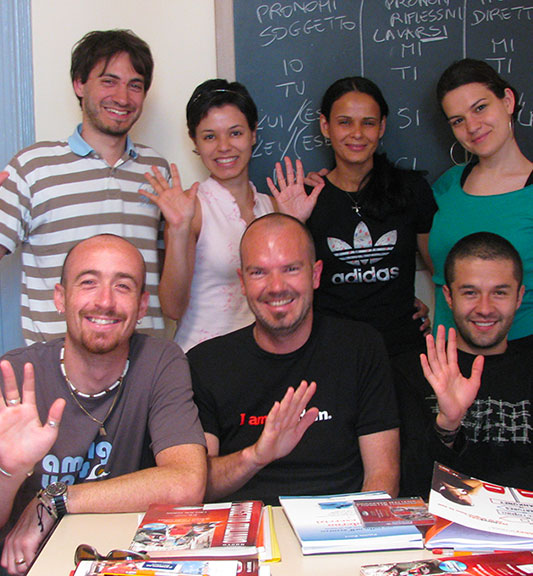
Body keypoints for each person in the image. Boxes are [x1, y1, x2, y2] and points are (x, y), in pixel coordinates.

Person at [0, 234, 206, 576]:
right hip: (27, 567)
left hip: (121, 562)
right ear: (60, 297)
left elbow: (187, 482)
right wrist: (8, 472)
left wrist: (55, 499)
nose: (105, 302)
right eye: (89, 283)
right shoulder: (16, 376)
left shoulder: (161, 362)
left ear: (142, 306)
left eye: (122, 286)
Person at [187, 213, 400, 506]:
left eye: (290, 269)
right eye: (259, 272)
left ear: (315, 274)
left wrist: (355, 540)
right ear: (243, 282)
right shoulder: (205, 363)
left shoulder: (360, 347)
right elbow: (198, 487)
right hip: (246, 532)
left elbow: (383, 476)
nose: (276, 287)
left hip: (341, 530)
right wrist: (256, 455)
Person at [0, 30, 169, 344]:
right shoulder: (32, 167)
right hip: (56, 368)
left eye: (135, 85)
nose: (122, 97)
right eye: (109, 81)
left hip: (144, 368)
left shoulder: (156, 169)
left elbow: (168, 280)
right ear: (79, 83)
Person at [270, 77, 436, 356]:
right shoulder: (305, 197)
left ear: (382, 126)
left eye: (368, 123)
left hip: (402, 350)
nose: (357, 133)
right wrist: (293, 221)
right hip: (330, 350)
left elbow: (441, 270)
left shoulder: (412, 190)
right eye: (345, 122)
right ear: (326, 126)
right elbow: (284, 281)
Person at [142, 79, 296, 352]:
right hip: (203, 359)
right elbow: (172, 309)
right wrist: (178, 229)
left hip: (263, 357)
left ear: (253, 133)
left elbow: (294, 289)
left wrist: (298, 223)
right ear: (196, 142)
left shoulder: (272, 206)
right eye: (210, 136)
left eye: (235, 133)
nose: (224, 147)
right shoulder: (192, 209)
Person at [394, 232, 533, 497]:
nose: (484, 308)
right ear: (448, 296)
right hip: (441, 530)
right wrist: (447, 424)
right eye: (470, 293)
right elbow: (412, 488)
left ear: (519, 297)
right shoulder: (412, 370)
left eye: (499, 293)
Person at [429, 58, 533, 344]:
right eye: (458, 121)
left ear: (508, 101)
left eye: (480, 108)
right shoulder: (447, 186)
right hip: (448, 357)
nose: (472, 126)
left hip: (520, 356)